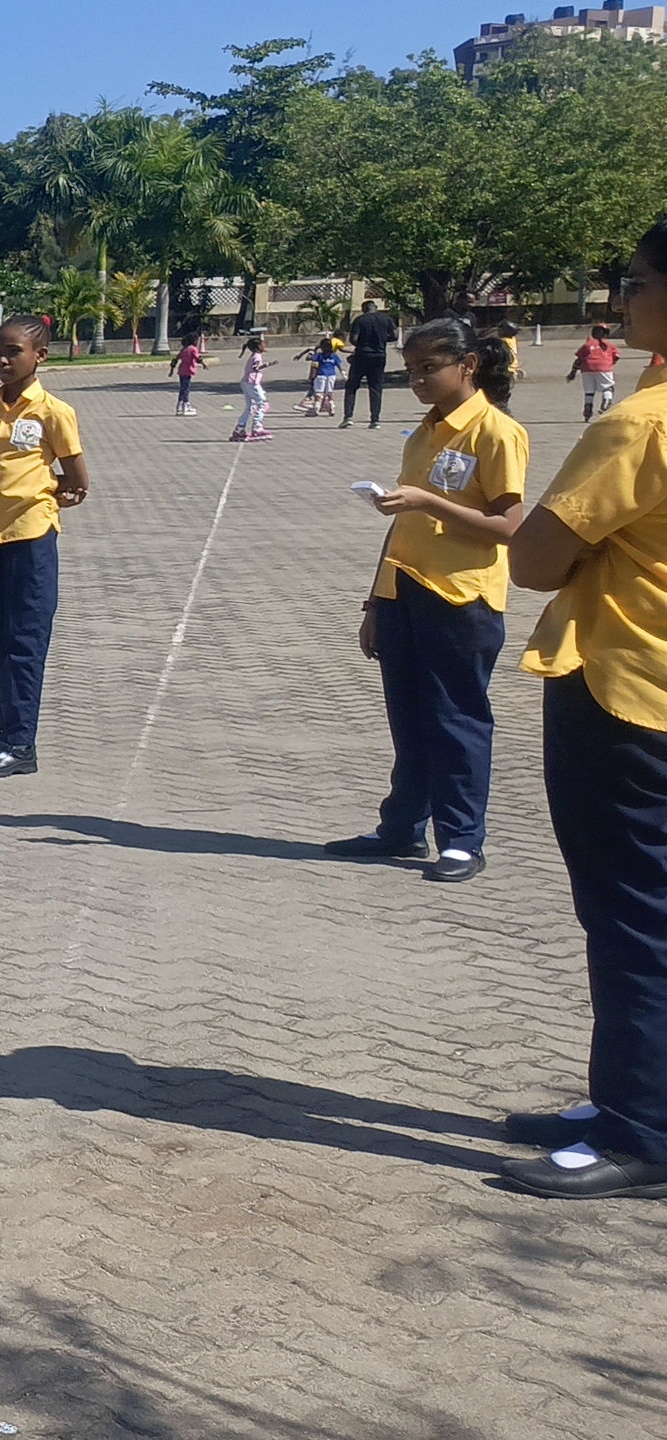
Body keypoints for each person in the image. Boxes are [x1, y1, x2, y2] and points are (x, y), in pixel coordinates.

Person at [498, 217, 667, 1199]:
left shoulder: (636, 426)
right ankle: (625, 1095)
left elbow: (530, 558)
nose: (620, 293)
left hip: (622, 688)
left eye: (635, 277)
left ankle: (638, 1129)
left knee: (630, 914)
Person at [324, 317, 526, 884]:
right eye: (410, 370)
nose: (417, 380)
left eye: (429, 368)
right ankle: (403, 826)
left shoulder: (494, 431)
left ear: (468, 365)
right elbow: (403, 521)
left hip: (461, 598)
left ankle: (462, 839)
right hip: (403, 591)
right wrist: (373, 601)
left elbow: (508, 525)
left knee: (455, 720)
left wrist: (427, 502)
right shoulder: (424, 431)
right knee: (409, 720)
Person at [0, 316, 91, 779]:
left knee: (25, 641)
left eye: (14, 351)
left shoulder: (53, 411)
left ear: (40, 356)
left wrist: (46, 493)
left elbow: (77, 480)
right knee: (0, 640)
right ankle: (6, 733)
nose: (2, 359)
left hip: (30, 536)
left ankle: (21, 745)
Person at [345, 297, 400, 428]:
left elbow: (353, 339)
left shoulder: (360, 320)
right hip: (379, 356)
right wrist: (382, 340)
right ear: (375, 308)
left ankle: (348, 417)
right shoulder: (386, 319)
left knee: (352, 386)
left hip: (361, 356)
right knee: (375, 388)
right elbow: (395, 336)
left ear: (364, 309)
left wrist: (364, 343)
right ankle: (375, 420)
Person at [572, 323, 622, 421]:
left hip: (587, 368)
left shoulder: (587, 345)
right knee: (608, 387)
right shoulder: (610, 346)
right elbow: (617, 357)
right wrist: (610, 363)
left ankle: (588, 409)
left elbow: (579, 359)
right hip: (604, 368)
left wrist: (572, 372)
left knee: (589, 391)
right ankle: (605, 403)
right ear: (607, 334)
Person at [229, 335, 275, 441]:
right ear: (258, 346)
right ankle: (257, 428)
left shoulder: (254, 355)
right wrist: (269, 364)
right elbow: (256, 368)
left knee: (250, 406)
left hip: (246, 383)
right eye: (263, 344)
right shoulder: (257, 356)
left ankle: (239, 429)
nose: (265, 345)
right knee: (262, 404)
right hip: (252, 383)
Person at [171, 332, 203, 416]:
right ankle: (186, 405)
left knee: (182, 388)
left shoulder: (183, 349)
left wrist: (171, 370)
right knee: (186, 389)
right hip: (188, 370)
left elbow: (175, 359)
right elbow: (197, 358)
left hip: (181, 371)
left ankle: (179, 406)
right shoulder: (193, 349)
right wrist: (203, 364)